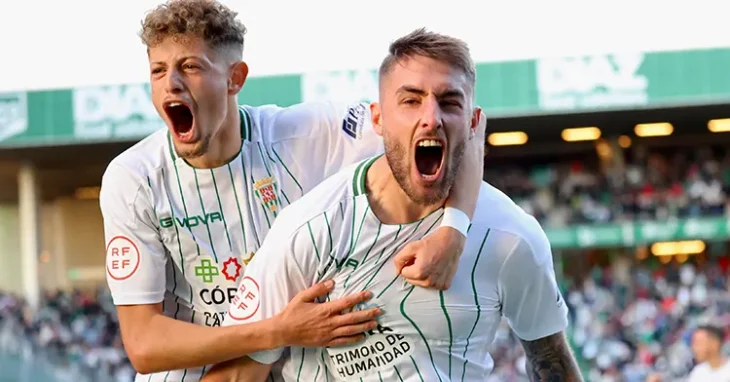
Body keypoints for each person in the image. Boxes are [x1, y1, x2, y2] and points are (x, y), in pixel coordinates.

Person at [99, 0, 484, 381]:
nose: (172, 83)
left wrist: (454, 229)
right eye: (158, 70)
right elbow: (144, 345)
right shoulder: (134, 179)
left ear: (236, 78)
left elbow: (458, 128)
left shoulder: (307, 134)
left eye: (190, 67)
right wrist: (278, 330)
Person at [202, 28, 583, 382]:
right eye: (411, 101)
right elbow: (233, 376)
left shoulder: (511, 237)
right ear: (378, 119)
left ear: (473, 122)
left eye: (449, 102)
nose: (430, 119)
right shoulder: (309, 229)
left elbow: (550, 360)